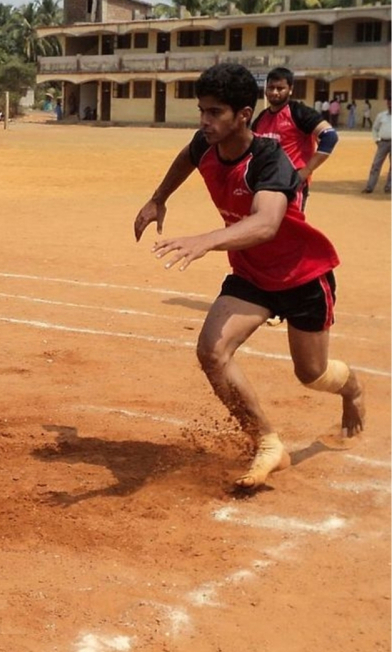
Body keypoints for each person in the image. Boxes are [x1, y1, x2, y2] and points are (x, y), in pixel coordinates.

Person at [133, 63, 364, 491]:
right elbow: (186, 158)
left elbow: (266, 224)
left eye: (215, 112)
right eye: (202, 110)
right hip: (252, 274)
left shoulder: (269, 160)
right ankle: (268, 442)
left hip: (302, 276)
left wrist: (208, 239)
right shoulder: (205, 143)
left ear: (243, 114)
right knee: (212, 352)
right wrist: (157, 200)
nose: (205, 121)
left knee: (310, 374)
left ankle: (351, 390)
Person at [251, 68, 337, 210]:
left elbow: (329, 136)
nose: (275, 92)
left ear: (290, 89)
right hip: (265, 184)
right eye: (271, 88)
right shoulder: (262, 118)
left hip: (291, 184)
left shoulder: (299, 112)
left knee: (290, 229)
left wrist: (306, 171)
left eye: (280, 88)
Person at [362, 98, 391, 194]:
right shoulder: (381, 115)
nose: (390, 104)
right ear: (387, 103)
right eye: (389, 102)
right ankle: (370, 187)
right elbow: (375, 128)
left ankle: (389, 187)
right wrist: (377, 140)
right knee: (376, 165)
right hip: (383, 142)